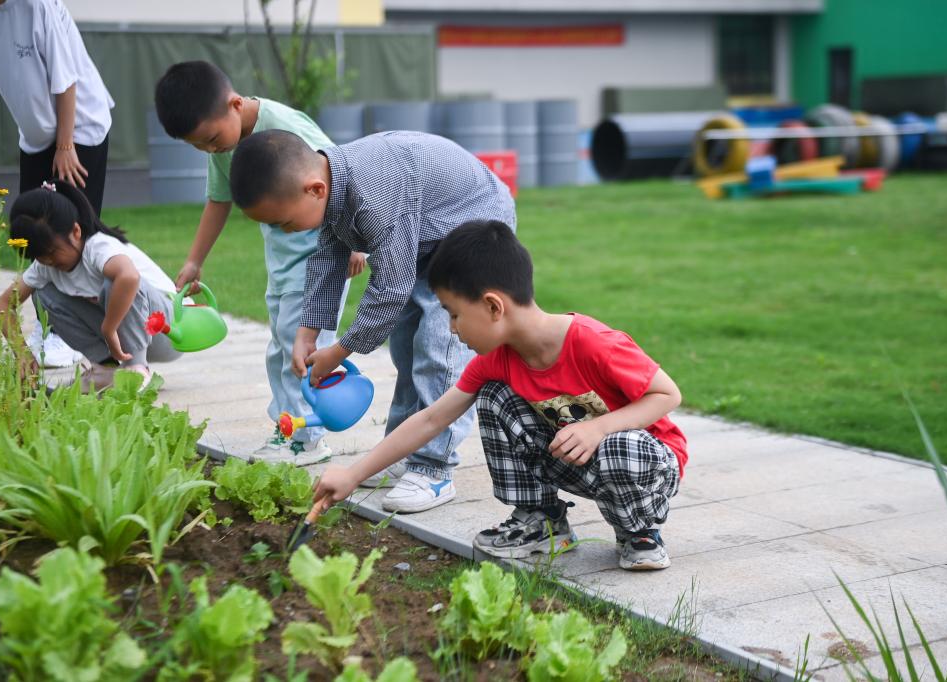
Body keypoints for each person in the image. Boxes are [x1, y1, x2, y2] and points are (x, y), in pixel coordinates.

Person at [312, 221, 688, 570]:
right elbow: (431, 419)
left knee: (621, 446)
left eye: (454, 314)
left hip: (644, 465)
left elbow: (667, 394)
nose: (452, 329)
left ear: (493, 306)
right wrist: (352, 474)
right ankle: (541, 521)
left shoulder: (593, 343)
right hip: (574, 459)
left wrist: (598, 429)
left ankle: (639, 533)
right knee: (493, 395)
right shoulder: (497, 361)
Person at [228, 130, 517, 514]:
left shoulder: (372, 194)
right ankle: (400, 447)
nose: (285, 232)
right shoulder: (332, 185)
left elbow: (390, 289)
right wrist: (306, 333)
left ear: (314, 190)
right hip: (427, 236)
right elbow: (328, 259)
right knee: (405, 347)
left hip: (472, 225)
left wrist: (340, 349)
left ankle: (433, 467)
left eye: (283, 222)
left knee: (439, 343)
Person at [153, 60, 364, 466]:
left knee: (301, 349)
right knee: (280, 349)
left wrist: (356, 242)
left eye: (211, 140)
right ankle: (287, 428)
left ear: (234, 104)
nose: (211, 151)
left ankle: (308, 436)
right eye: (200, 147)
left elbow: (343, 172)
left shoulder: (285, 126)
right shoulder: (223, 142)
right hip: (283, 264)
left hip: (324, 256)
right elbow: (218, 199)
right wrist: (195, 260)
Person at [0, 180, 181, 388]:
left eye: (51, 252)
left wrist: (109, 328)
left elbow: (129, 277)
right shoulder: (46, 265)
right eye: (39, 256)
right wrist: (22, 353)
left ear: (75, 232)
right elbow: (3, 305)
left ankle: (135, 367)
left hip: (169, 330)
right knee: (42, 292)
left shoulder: (98, 246)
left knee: (117, 280)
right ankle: (106, 368)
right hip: (122, 338)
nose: (47, 262)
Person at [0, 0, 114, 215]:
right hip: (36, 136)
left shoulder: (37, 5)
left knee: (71, 238)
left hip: (79, 128)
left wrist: (65, 147)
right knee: (30, 233)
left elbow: (66, 80)